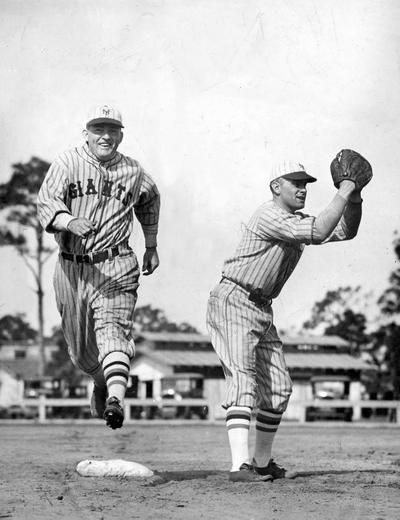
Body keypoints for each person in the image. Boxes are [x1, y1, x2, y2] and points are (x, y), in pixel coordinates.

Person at [206, 159, 364, 482]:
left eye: (306, 183)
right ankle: (239, 467)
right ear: (276, 186)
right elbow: (320, 231)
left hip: (261, 306)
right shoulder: (268, 214)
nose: (303, 189)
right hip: (234, 298)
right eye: (296, 183)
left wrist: (355, 197)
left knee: (279, 388)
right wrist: (345, 188)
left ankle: (261, 463)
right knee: (243, 380)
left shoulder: (295, 220)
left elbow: (346, 231)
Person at [37, 104, 160, 430]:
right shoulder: (67, 162)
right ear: (86, 134)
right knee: (80, 353)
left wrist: (151, 245)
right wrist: (68, 220)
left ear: (121, 134)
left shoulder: (134, 171)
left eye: (112, 130)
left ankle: (116, 399)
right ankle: (101, 381)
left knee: (113, 331)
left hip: (117, 265)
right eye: (98, 130)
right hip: (72, 268)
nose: (105, 136)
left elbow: (150, 201)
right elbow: (47, 200)